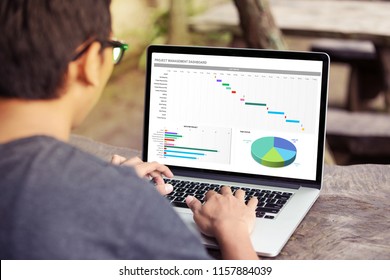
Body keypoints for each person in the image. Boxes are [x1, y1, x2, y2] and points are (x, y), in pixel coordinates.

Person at [0, 0, 258, 260]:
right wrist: (233, 229)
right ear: (89, 62)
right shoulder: (128, 207)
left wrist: (101, 190)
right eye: (113, 49)